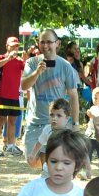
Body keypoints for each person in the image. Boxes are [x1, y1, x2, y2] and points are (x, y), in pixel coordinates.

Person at [21, 30, 81, 160]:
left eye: (49, 42)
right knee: (31, 159)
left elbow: (74, 97)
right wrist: (37, 73)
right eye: (42, 42)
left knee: (54, 159)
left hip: (57, 123)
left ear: (57, 43)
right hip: (35, 122)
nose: (45, 45)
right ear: (38, 43)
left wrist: (75, 123)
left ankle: (49, 175)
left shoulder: (66, 66)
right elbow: (24, 86)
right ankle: (47, 171)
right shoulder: (32, 63)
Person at [0, 36, 26, 157]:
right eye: (13, 45)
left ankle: (11, 145)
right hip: (3, 95)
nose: (15, 48)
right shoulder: (2, 57)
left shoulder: (19, 60)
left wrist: (26, 60)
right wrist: (9, 58)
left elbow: (27, 70)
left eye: (17, 46)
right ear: (7, 46)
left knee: (12, 121)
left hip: (15, 96)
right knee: (1, 120)